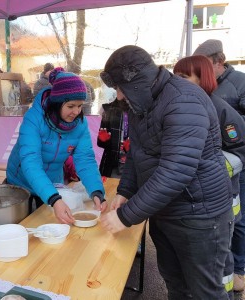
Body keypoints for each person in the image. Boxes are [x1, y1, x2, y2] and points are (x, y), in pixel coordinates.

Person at [99, 45, 233, 299]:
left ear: (137, 81)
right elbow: (138, 153)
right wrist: (125, 191)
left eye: (120, 87)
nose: (118, 96)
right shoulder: (143, 103)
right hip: (166, 212)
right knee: (175, 284)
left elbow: (176, 171)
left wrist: (126, 216)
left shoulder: (184, 100)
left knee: (206, 292)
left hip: (200, 217)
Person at [174, 55, 245, 297]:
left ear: (202, 79)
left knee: (221, 255)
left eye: (183, 77)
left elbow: (240, 152)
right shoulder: (181, 108)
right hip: (197, 203)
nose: (176, 82)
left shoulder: (220, 110)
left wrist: (210, 169)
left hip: (222, 201)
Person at [6, 67, 107, 223]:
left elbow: (85, 159)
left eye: (80, 106)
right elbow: (31, 162)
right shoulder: (34, 118)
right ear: (57, 103)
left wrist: (96, 191)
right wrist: (54, 199)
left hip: (53, 181)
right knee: (23, 226)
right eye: (71, 106)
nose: (76, 112)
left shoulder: (80, 124)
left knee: (49, 224)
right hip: (21, 181)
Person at [194, 39, 245, 292]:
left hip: (235, 167)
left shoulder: (240, 83)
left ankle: (239, 272)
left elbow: (239, 135)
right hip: (215, 174)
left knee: (238, 221)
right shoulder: (202, 93)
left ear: (219, 62)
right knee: (222, 228)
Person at [97, 98, 130, 179]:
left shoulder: (140, 111)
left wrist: (133, 148)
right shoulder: (108, 110)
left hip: (132, 167)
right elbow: (101, 144)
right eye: (118, 89)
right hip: (111, 167)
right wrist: (103, 140)